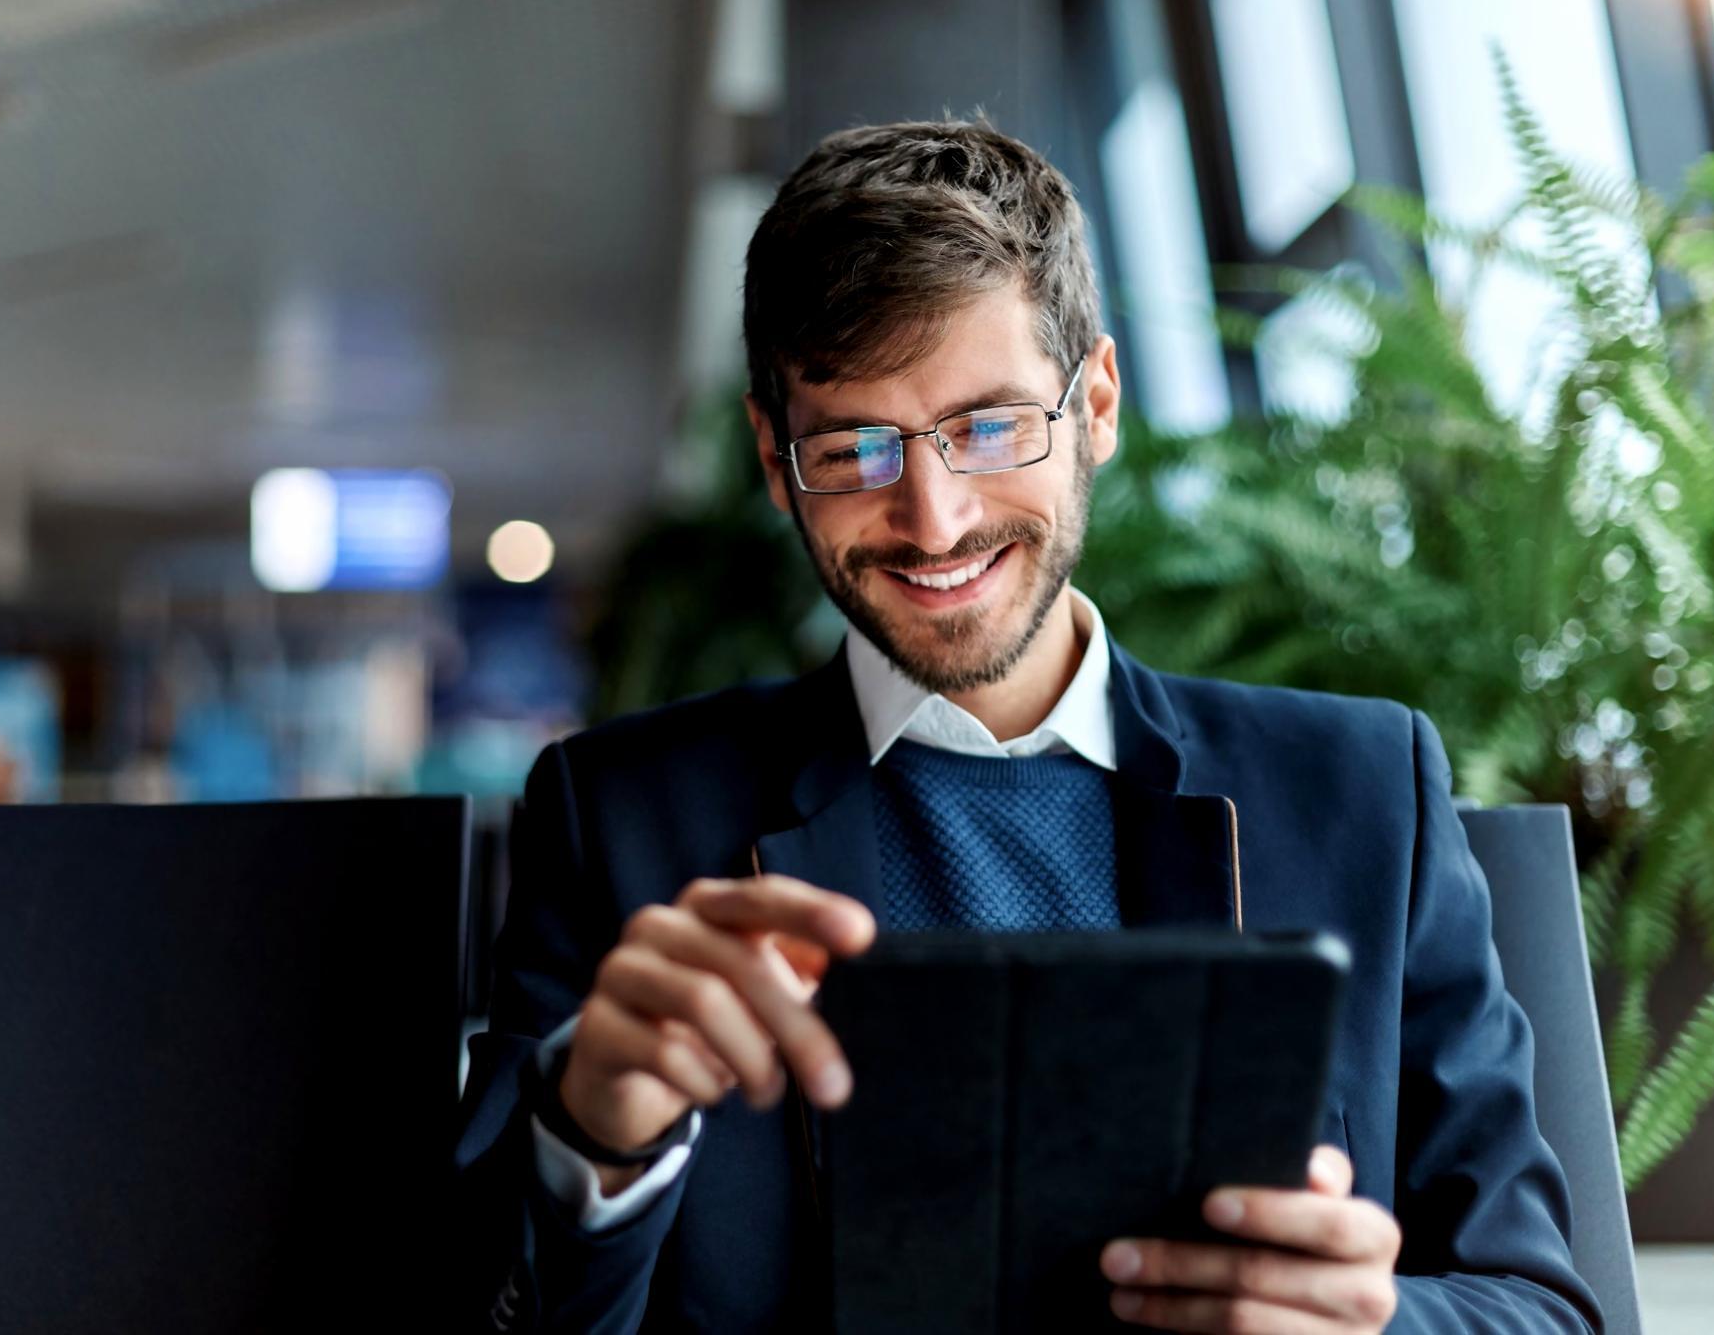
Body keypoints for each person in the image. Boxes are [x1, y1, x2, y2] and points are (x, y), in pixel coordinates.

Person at [453, 118, 1602, 1334]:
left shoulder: (1361, 792)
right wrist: (593, 1141)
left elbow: (1541, 1306)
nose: (934, 518)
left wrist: (1367, 1327)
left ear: (1095, 403)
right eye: (852, 447)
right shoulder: (622, 821)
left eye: (990, 426)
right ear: (775, 462)